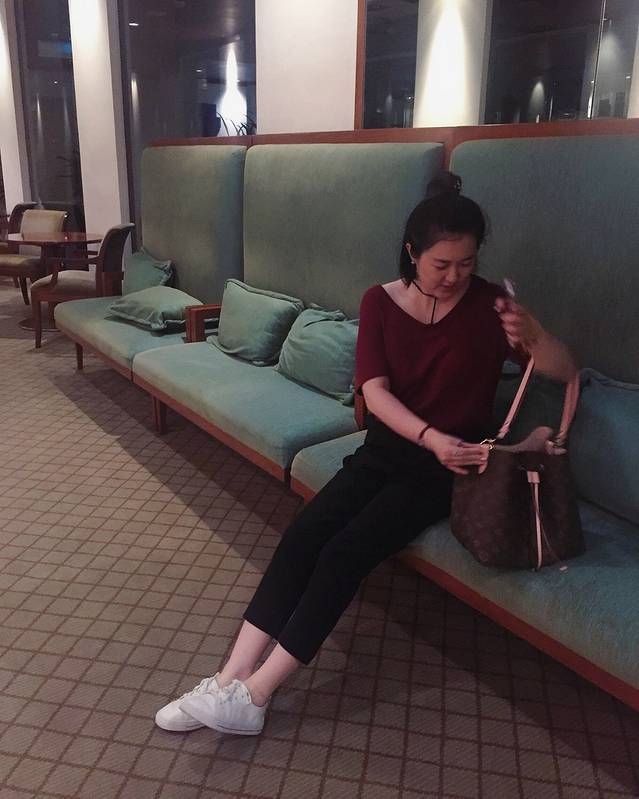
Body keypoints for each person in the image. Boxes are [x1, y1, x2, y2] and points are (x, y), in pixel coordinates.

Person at [155, 172, 577, 736]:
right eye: (442, 264)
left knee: (345, 552)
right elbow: (374, 392)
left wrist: (536, 333)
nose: (455, 276)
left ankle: (256, 696)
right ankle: (229, 677)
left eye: (467, 263)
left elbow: (564, 372)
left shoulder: (491, 307)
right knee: (304, 534)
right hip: (387, 449)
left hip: (447, 467)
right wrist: (427, 434)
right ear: (412, 252)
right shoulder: (380, 302)